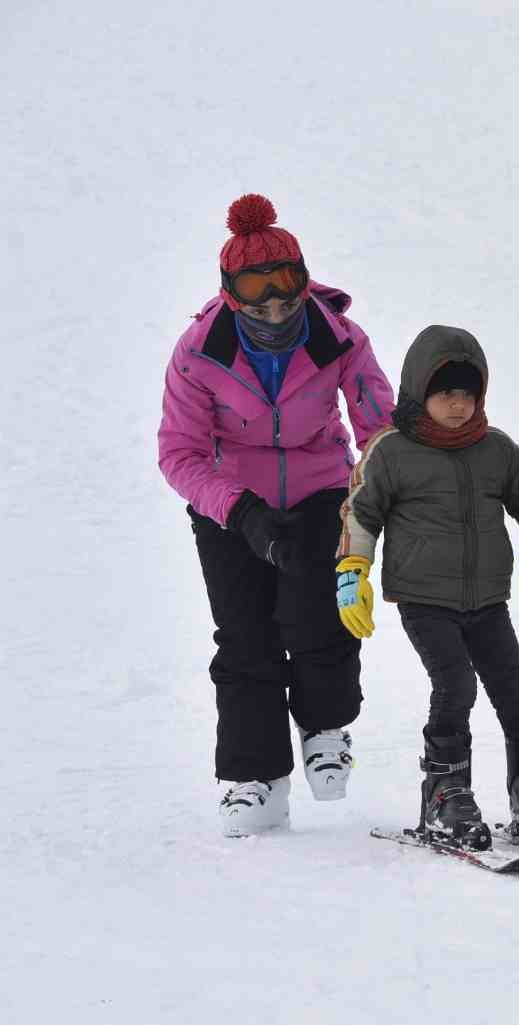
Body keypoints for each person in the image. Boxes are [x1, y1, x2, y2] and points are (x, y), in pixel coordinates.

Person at [157, 193, 393, 836]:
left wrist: (375, 492)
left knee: (318, 617)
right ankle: (253, 778)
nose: (275, 311)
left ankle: (324, 727)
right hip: (231, 503)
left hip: (321, 489)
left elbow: (379, 426)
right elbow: (178, 453)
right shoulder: (198, 351)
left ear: (303, 280)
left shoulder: (338, 336)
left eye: (287, 297)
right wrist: (241, 511)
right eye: (258, 301)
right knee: (244, 637)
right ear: (231, 295)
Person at [335, 325, 519, 848]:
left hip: (487, 598)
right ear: (419, 391)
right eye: (446, 393)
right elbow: (361, 511)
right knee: (455, 685)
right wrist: (352, 571)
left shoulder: (497, 449)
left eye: (468, 393)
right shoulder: (391, 451)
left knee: (516, 689)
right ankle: (445, 791)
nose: (458, 405)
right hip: (424, 599)